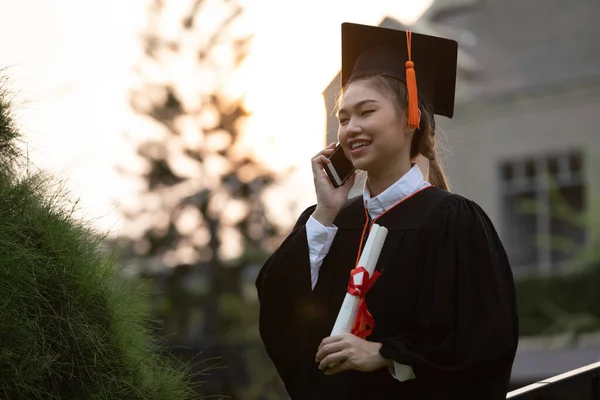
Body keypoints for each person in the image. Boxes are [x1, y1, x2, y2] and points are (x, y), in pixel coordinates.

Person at [255, 22, 518, 400]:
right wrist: (325, 213)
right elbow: (281, 314)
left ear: (411, 116)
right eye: (344, 118)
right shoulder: (330, 223)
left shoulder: (453, 221)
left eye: (366, 112)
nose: (350, 128)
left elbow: (485, 343)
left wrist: (385, 355)